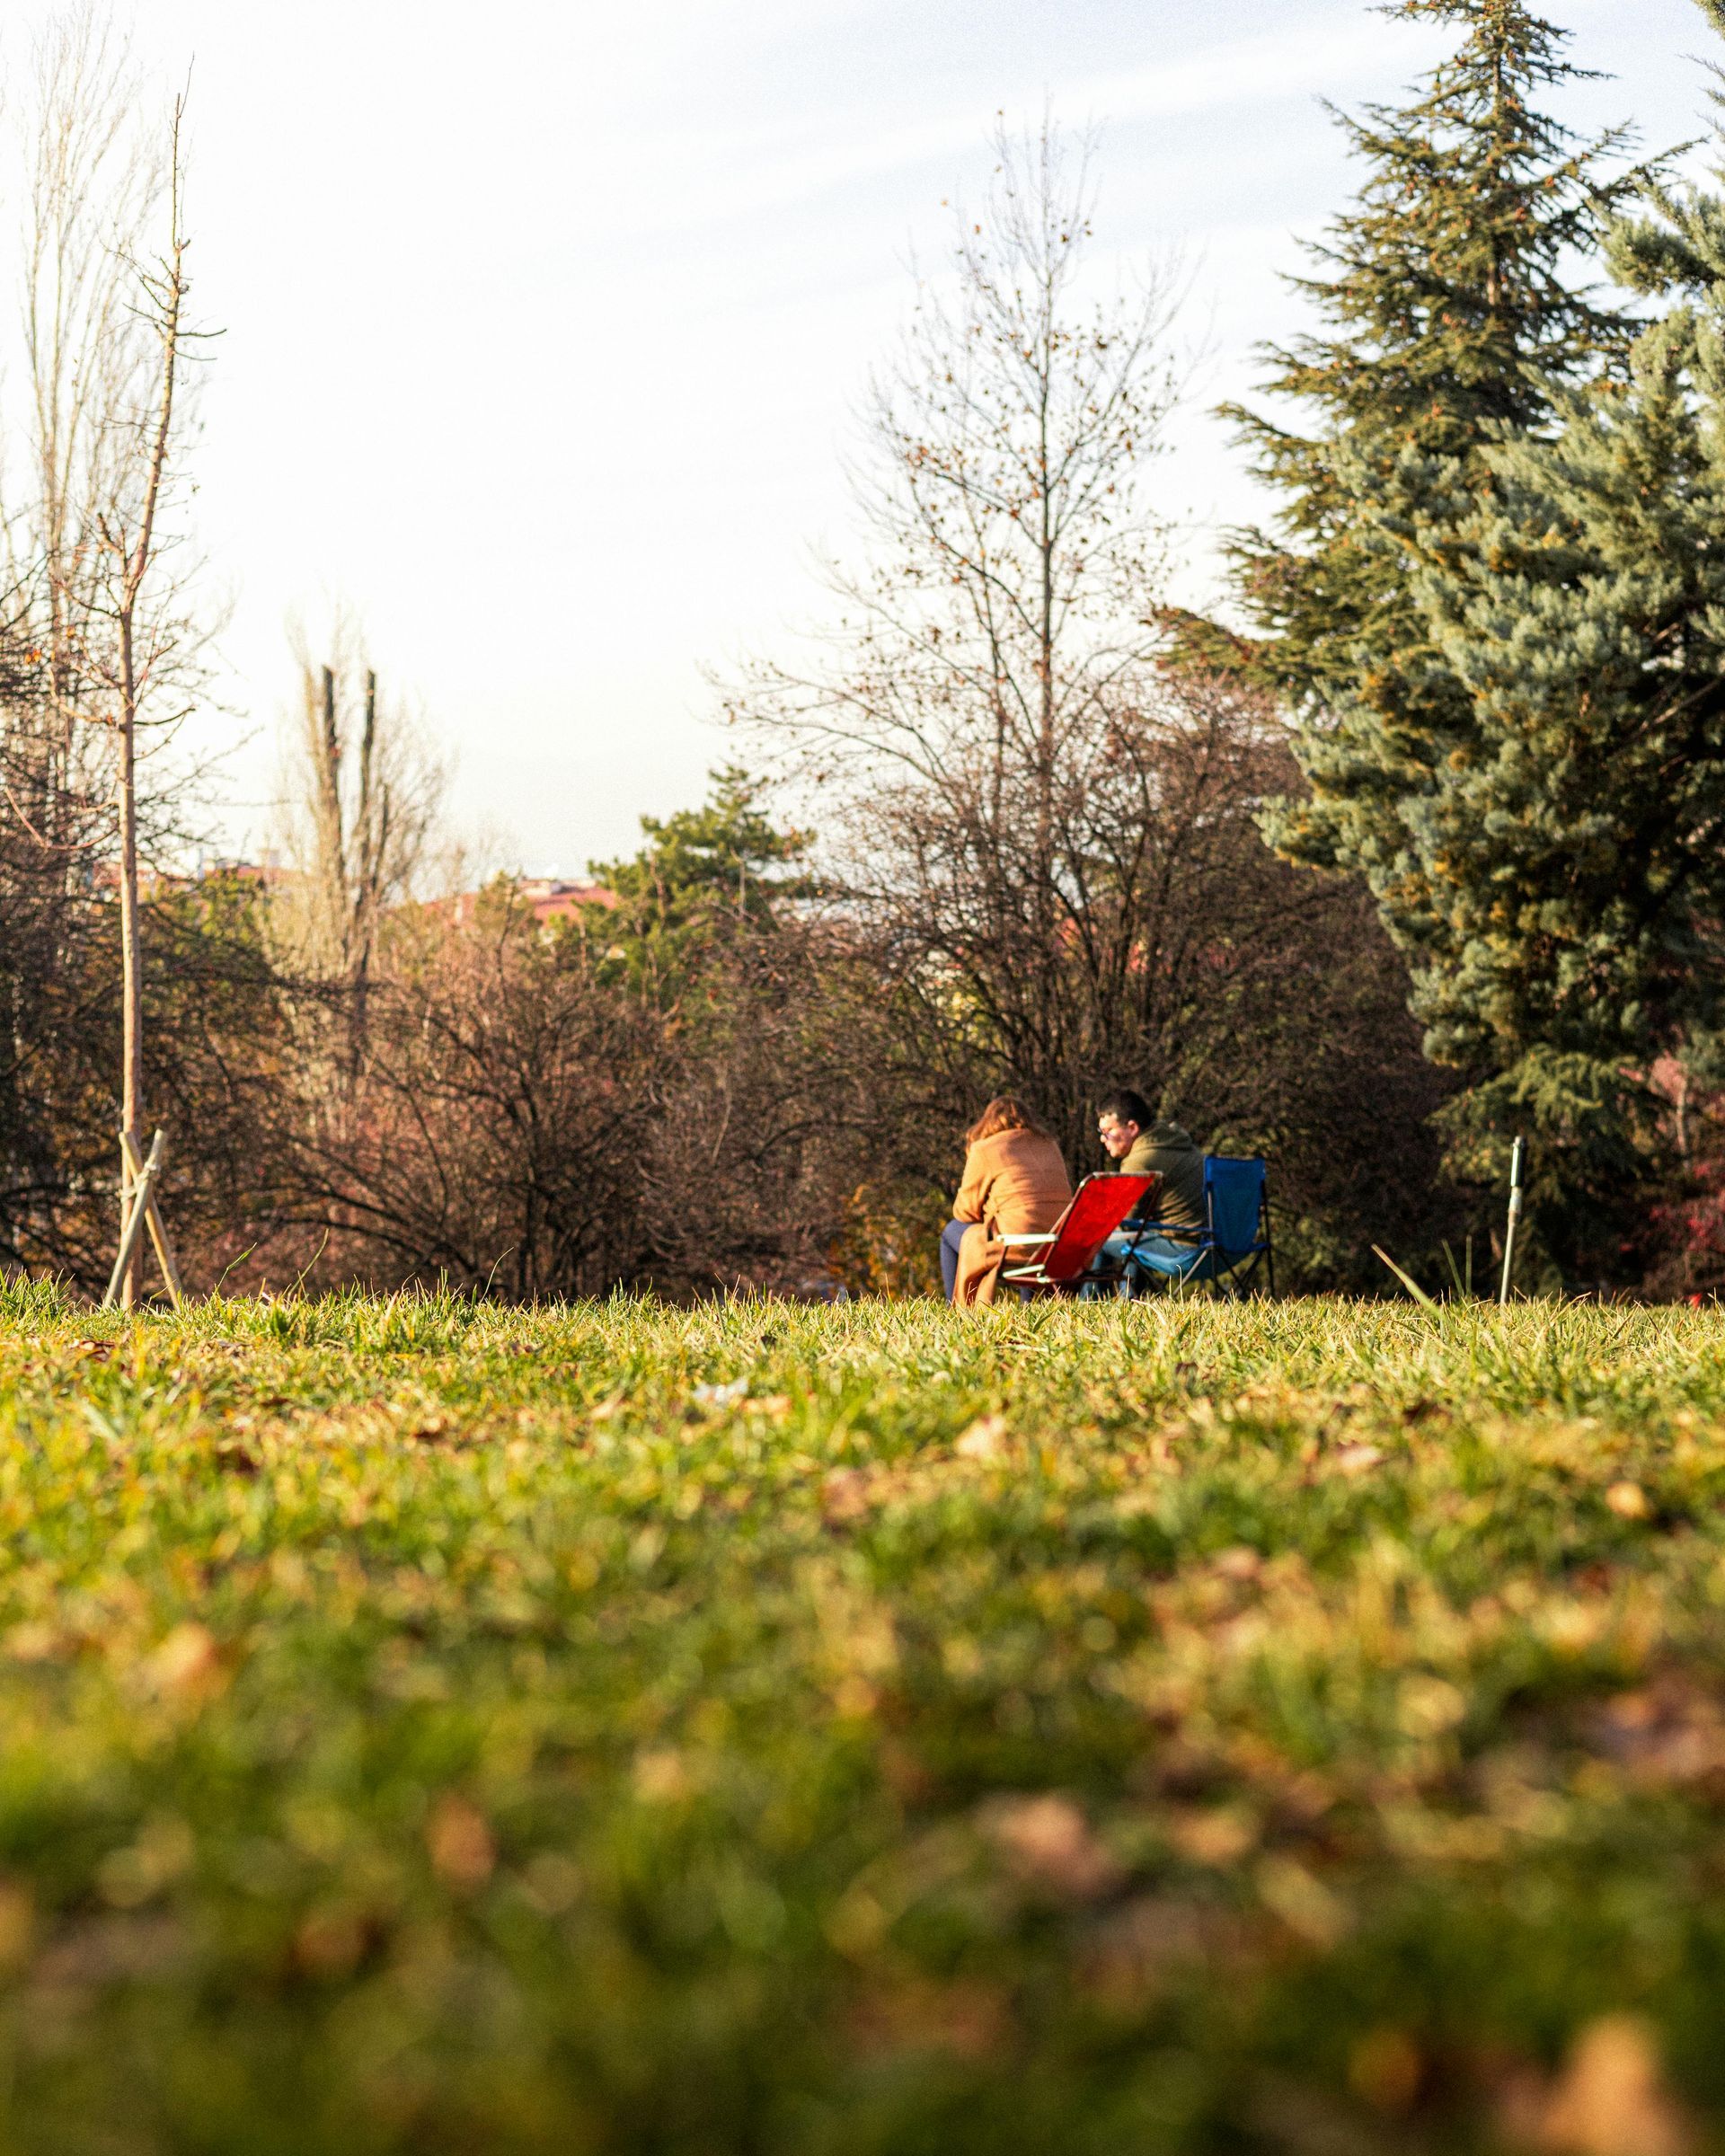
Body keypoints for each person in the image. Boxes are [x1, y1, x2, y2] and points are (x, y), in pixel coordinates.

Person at [941, 1095, 1072, 1306]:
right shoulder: (1050, 1145)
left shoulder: (985, 1149)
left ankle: (954, 1306)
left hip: (1016, 1242)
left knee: (950, 1232)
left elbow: (964, 1212)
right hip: (1058, 1243)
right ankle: (1029, 1305)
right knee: (1023, 1222)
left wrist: (988, 1211)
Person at [1095, 1088, 1205, 1230]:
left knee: (1093, 1246)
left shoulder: (1140, 1161)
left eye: (1108, 1131)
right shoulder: (1173, 1141)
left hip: (1180, 1242)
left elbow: (1123, 1222)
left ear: (1132, 1128)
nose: (1102, 1138)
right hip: (1210, 1240)